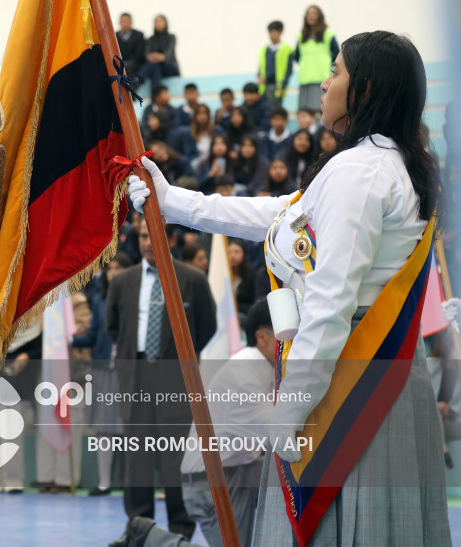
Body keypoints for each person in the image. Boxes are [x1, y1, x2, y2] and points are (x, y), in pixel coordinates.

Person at [127, 31, 451, 546]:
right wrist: (173, 202)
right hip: (374, 374)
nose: (323, 84)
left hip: (342, 381)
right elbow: (279, 215)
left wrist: (293, 404)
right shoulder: (386, 164)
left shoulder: (360, 171)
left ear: (365, 89)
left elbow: (330, 300)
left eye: (336, 72)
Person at [112, 299, 278, 547]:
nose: (293, 343)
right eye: (286, 334)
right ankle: (150, 538)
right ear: (261, 337)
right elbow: (280, 431)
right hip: (210, 483)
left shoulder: (257, 366)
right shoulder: (246, 377)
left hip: (234, 471)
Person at [106, 219, 216, 542]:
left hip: (176, 379)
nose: (145, 242)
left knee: (175, 459)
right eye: (142, 236)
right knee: (136, 460)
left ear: (171, 239)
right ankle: (139, 529)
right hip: (136, 376)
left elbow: (207, 327)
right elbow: (114, 327)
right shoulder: (122, 281)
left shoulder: (193, 280)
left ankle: (180, 532)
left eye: (151, 235)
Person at [73, 251, 133, 496]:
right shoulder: (99, 301)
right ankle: (104, 482)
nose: (114, 272)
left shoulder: (135, 300)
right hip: (102, 370)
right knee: (103, 428)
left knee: (130, 427)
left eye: (119, 268)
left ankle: (131, 483)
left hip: (128, 371)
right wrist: (67, 339)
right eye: (111, 268)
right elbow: (92, 335)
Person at [293, 5, 339, 111]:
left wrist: (326, 63)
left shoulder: (328, 34)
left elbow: (337, 54)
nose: (311, 16)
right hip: (305, 79)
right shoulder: (301, 36)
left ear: (319, 16)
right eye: (309, 14)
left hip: (321, 79)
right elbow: (297, 56)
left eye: (314, 14)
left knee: (320, 109)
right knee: (305, 111)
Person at [258, 20, 294, 108]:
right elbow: (261, 66)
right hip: (264, 86)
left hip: (277, 87)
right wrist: (259, 76)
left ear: (280, 32)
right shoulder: (264, 50)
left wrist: (283, 86)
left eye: (274, 32)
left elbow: (289, 70)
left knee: (275, 109)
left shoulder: (287, 49)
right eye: (270, 32)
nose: (271, 35)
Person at [138, 14, 179, 90]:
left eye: (160, 21)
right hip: (156, 67)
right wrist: (154, 57)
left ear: (165, 23)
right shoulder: (151, 39)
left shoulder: (171, 37)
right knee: (156, 68)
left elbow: (169, 54)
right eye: (156, 22)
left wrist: (160, 57)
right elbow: (147, 54)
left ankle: (140, 78)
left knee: (156, 65)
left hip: (169, 67)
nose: (158, 23)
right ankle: (156, 94)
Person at [116, 12, 145, 78]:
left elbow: (139, 55)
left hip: (134, 64)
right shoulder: (114, 36)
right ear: (119, 22)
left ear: (131, 23)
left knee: (125, 67)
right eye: (123, 21)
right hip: (119, 63)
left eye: (127, 21)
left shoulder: (138, 35)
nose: (124, 24)